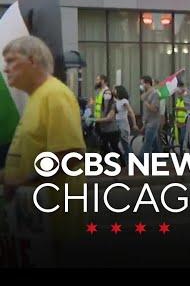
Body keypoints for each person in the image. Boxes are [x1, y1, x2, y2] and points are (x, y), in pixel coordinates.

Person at [1, 36, 86, 267]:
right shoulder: (38, 97)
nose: (5, 68)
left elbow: (72, 155)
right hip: (38, 223)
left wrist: (19, 181)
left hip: (56, 227)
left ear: (32, 61)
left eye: (10, 61)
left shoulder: (54, 95)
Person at [93, 74, 120, 156]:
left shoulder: (106, 93)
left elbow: (107, 107)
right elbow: (100, 106)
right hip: (100, 122)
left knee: (108, 145)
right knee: (103, 145)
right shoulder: (100, 92)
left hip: (105, 123)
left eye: (97, 80)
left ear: (103, 81)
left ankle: (121, 162)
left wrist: (103, 119)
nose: (96, 81)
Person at [139, 75, 161, 155]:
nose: (141, 86)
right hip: (148, 121)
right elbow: (142, 97)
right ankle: (160, 159)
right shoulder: (147, 93)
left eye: (142, 83)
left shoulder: (155, 94)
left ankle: (140, 160)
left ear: (147, 83)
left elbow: (154, 109)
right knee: (154, 144)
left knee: (147, 144)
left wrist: (146, 103)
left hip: (153, 123)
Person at [174, 82, 188, 154]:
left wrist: (178, 108)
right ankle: (181, 153)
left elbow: (188, 109)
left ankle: (184, 152)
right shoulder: (178, 99)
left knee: (183, 139)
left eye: (178, 88)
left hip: (184, 122)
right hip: (178, 122)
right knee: (179, 140)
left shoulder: (186, 98)